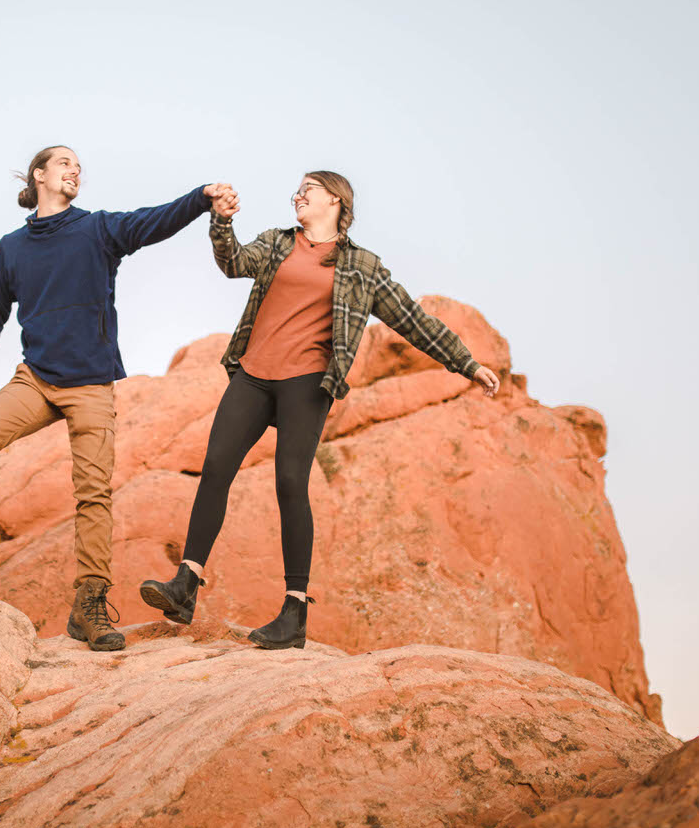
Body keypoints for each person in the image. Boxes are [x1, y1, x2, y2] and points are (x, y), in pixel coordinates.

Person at [0, 144, 238, 652]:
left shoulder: (98, 230)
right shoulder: (11, 248)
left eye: (79, 167)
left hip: (90, 384)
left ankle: (89, 604)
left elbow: (152, 222)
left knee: (93, 493)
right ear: (39, 176)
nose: (75, 170)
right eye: (64, 163)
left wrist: (200, 199)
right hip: (36, 379)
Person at [140, 171, 499, 649]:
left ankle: (294, 613)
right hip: (253, 373)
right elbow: (232, 263)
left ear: (335, 199)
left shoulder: (362, 266)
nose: (297, 196)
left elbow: (411, 320)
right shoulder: (277, 242)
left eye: (307, 189)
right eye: (296, 191)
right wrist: (221, 223)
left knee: (290, 481)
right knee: (216, 467)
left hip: (308, 381)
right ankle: (185, 585)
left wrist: (465, 362)